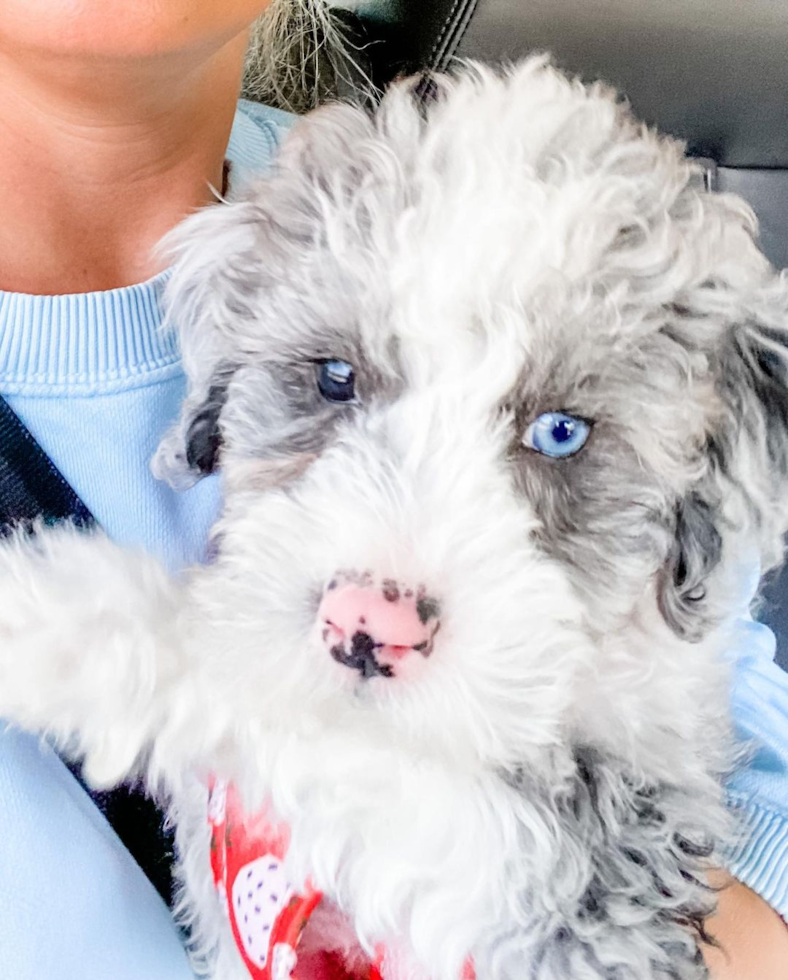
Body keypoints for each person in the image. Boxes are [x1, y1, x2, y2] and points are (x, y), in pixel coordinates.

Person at [0, 3, 784, 978]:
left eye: (557, 436)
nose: (378, 602)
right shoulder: (315, 230)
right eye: (335, 381)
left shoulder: (608, 249)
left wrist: (177, 684)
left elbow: (733, 754)